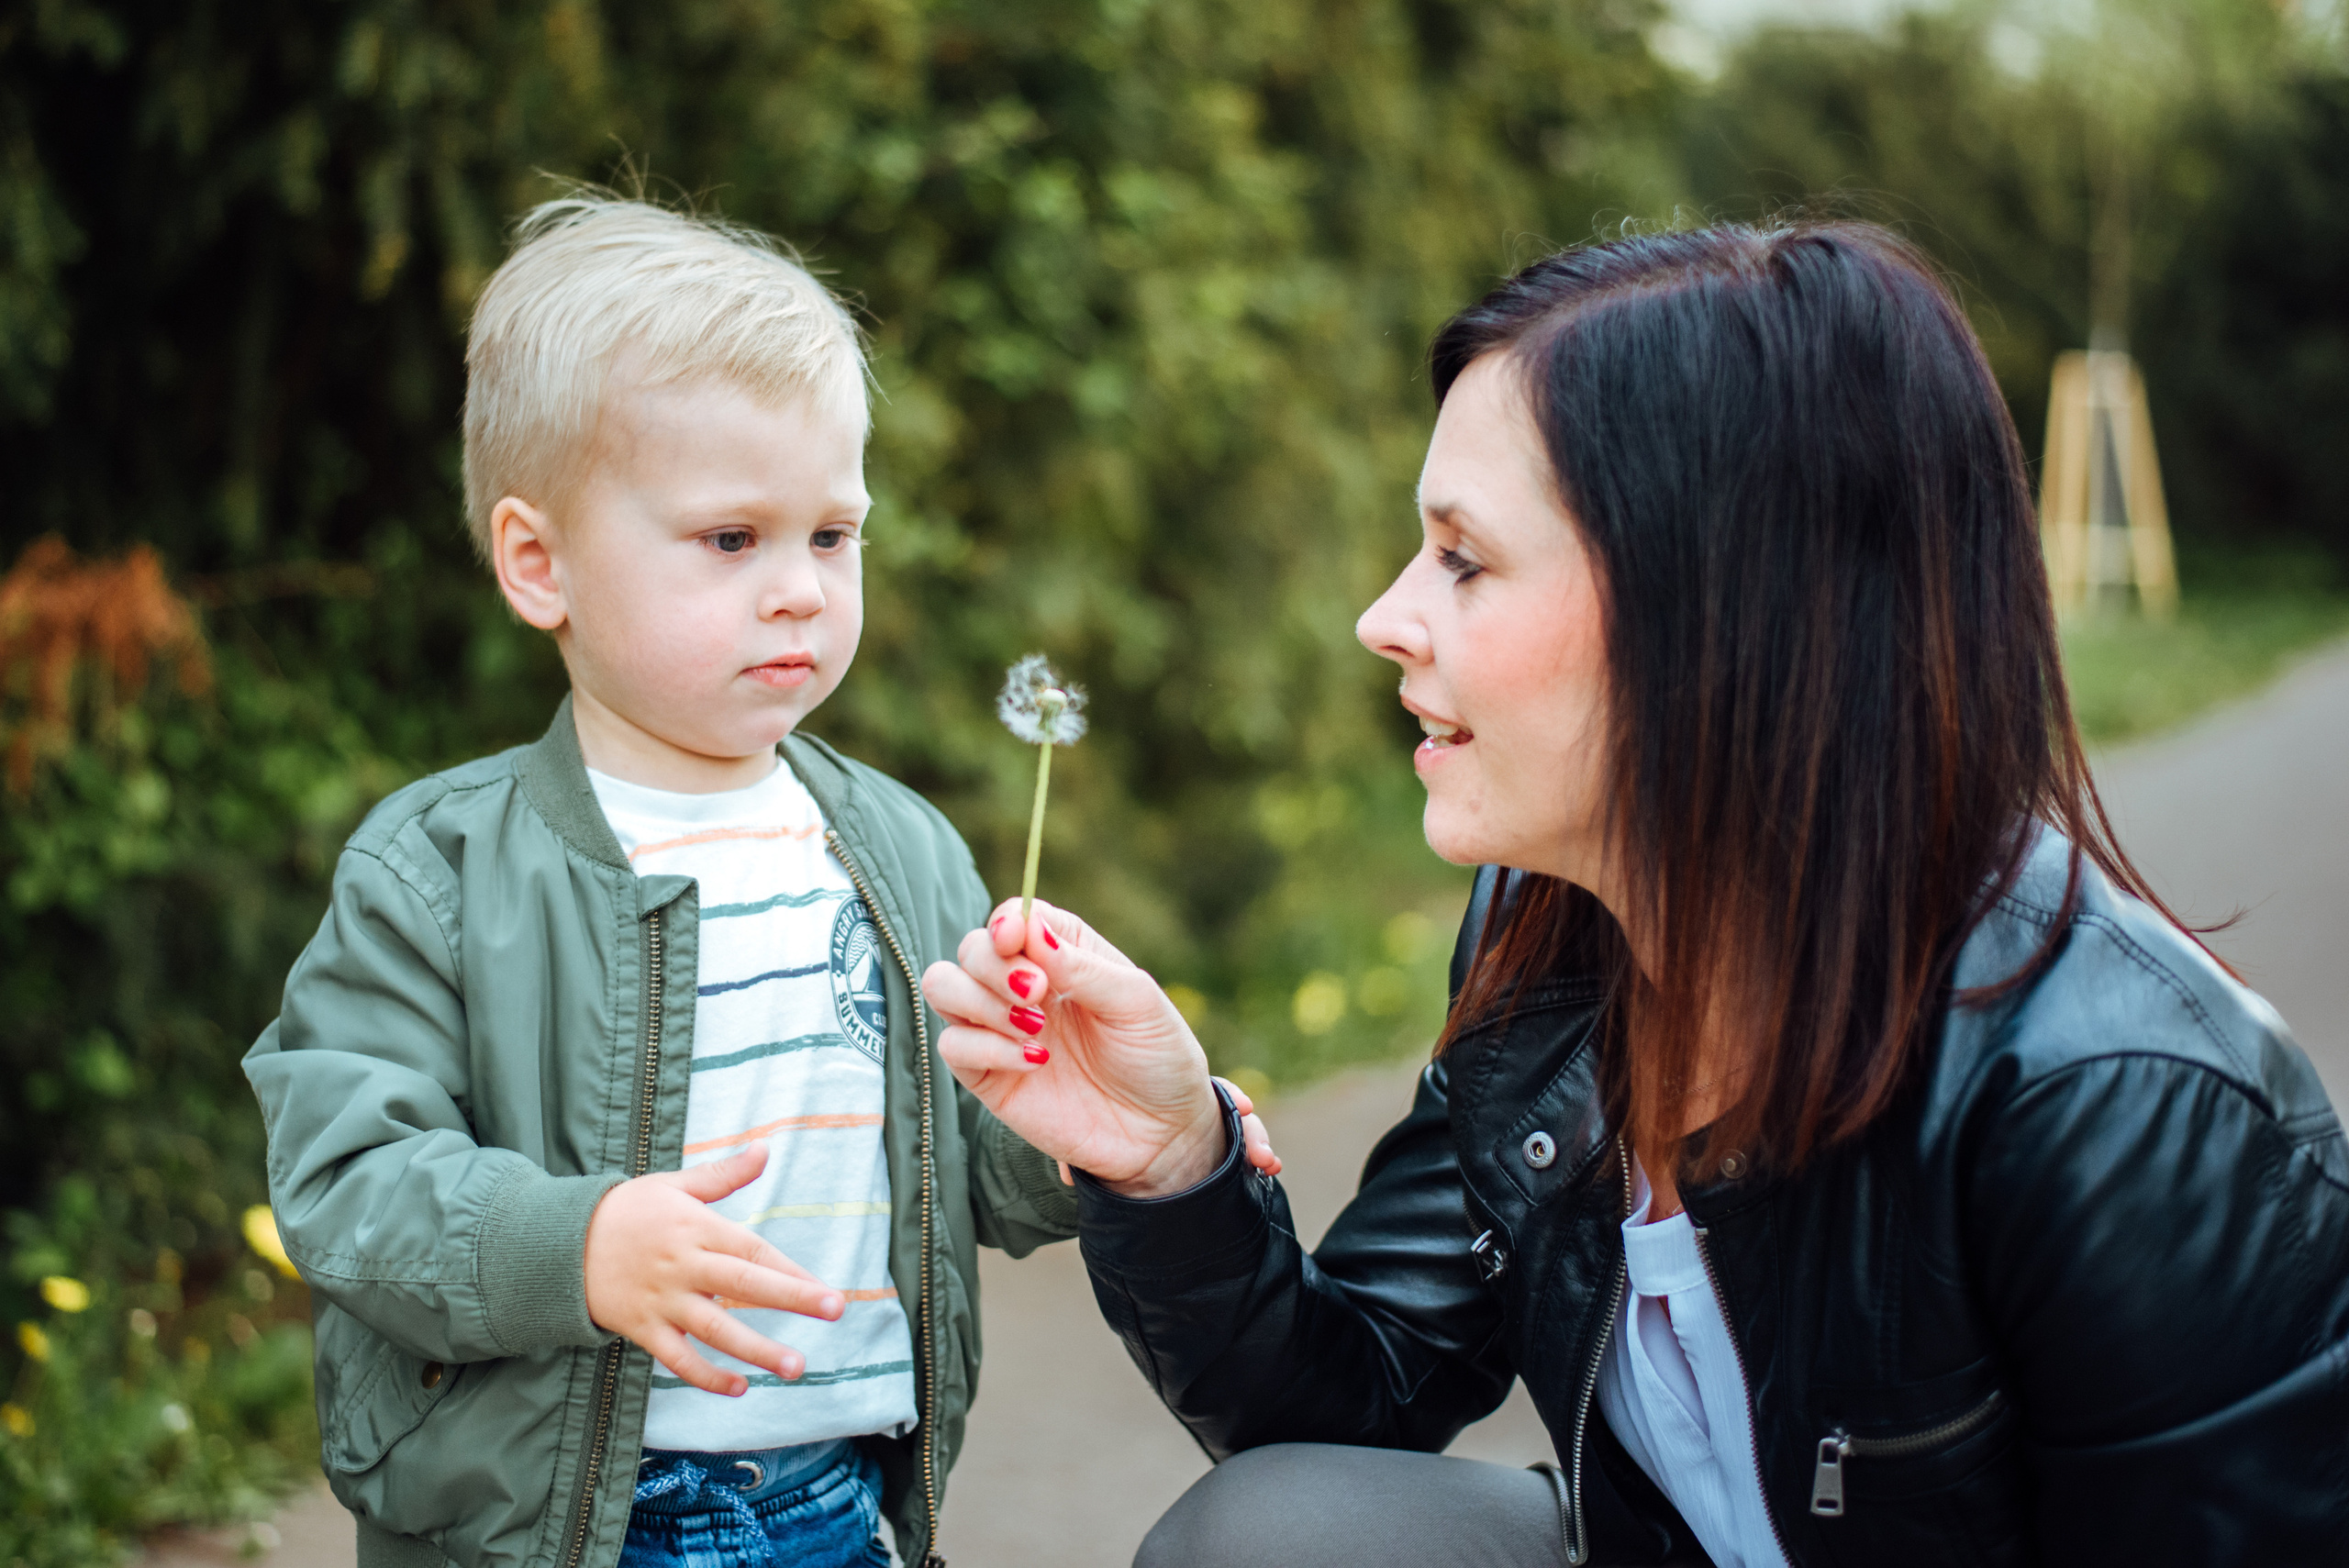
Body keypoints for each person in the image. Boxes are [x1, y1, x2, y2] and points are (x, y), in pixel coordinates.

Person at [919, 220, 2349, 1567]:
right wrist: (1172, 1168)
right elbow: (1347, 1418)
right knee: (1278, 1534)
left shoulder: (2128, 1105)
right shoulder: (1550, 940)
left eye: (1463, 558)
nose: (1384, 616)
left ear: (1717, 611)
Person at [243, 194, 1085, 1568]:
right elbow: (346, 1178)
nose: (803, 589)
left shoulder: (903, 849)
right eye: (732, 540)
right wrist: (572, 1247)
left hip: (841, 1502)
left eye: (833, 534)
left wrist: (1071, 1139)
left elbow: (964, 1170)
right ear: (540, 562)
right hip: (563, 1519)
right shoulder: (439, 869)